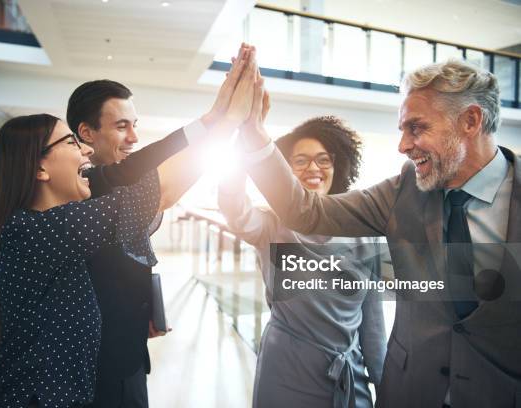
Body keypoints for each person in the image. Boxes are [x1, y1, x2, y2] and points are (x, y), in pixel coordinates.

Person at [0, 46, 259, 408]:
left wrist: (214, 120)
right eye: (72, 143)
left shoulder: (49, 219)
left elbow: (136, 176)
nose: (86, 154)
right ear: (41, 168)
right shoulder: (42, 229)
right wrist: (226, 122)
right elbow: (158, 191)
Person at [238, 58, 521, 408]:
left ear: (471, 121)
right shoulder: (403, 191)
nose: (403, 145)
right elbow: (305, 211)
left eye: (416, 128)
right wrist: (254, 137)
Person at [65, 44, 255, 408]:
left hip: (127, 349)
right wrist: (225, 121)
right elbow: (163, 191)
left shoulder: (110, 184)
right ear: (86, 133)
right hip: (97, 365)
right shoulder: (81, 189)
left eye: (134, 125)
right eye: (122, 127)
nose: (134, 137)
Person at [218, 116, 386, 408]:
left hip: (347, 374)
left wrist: (386, 388)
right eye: (301, 161)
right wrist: (245, 141)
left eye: (324, 160)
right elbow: (234, 207)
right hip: (287, 371)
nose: (313, 169)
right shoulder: (272, 226)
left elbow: (373, 325)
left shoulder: (364, 234)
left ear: (339, 166)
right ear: (285, 171)